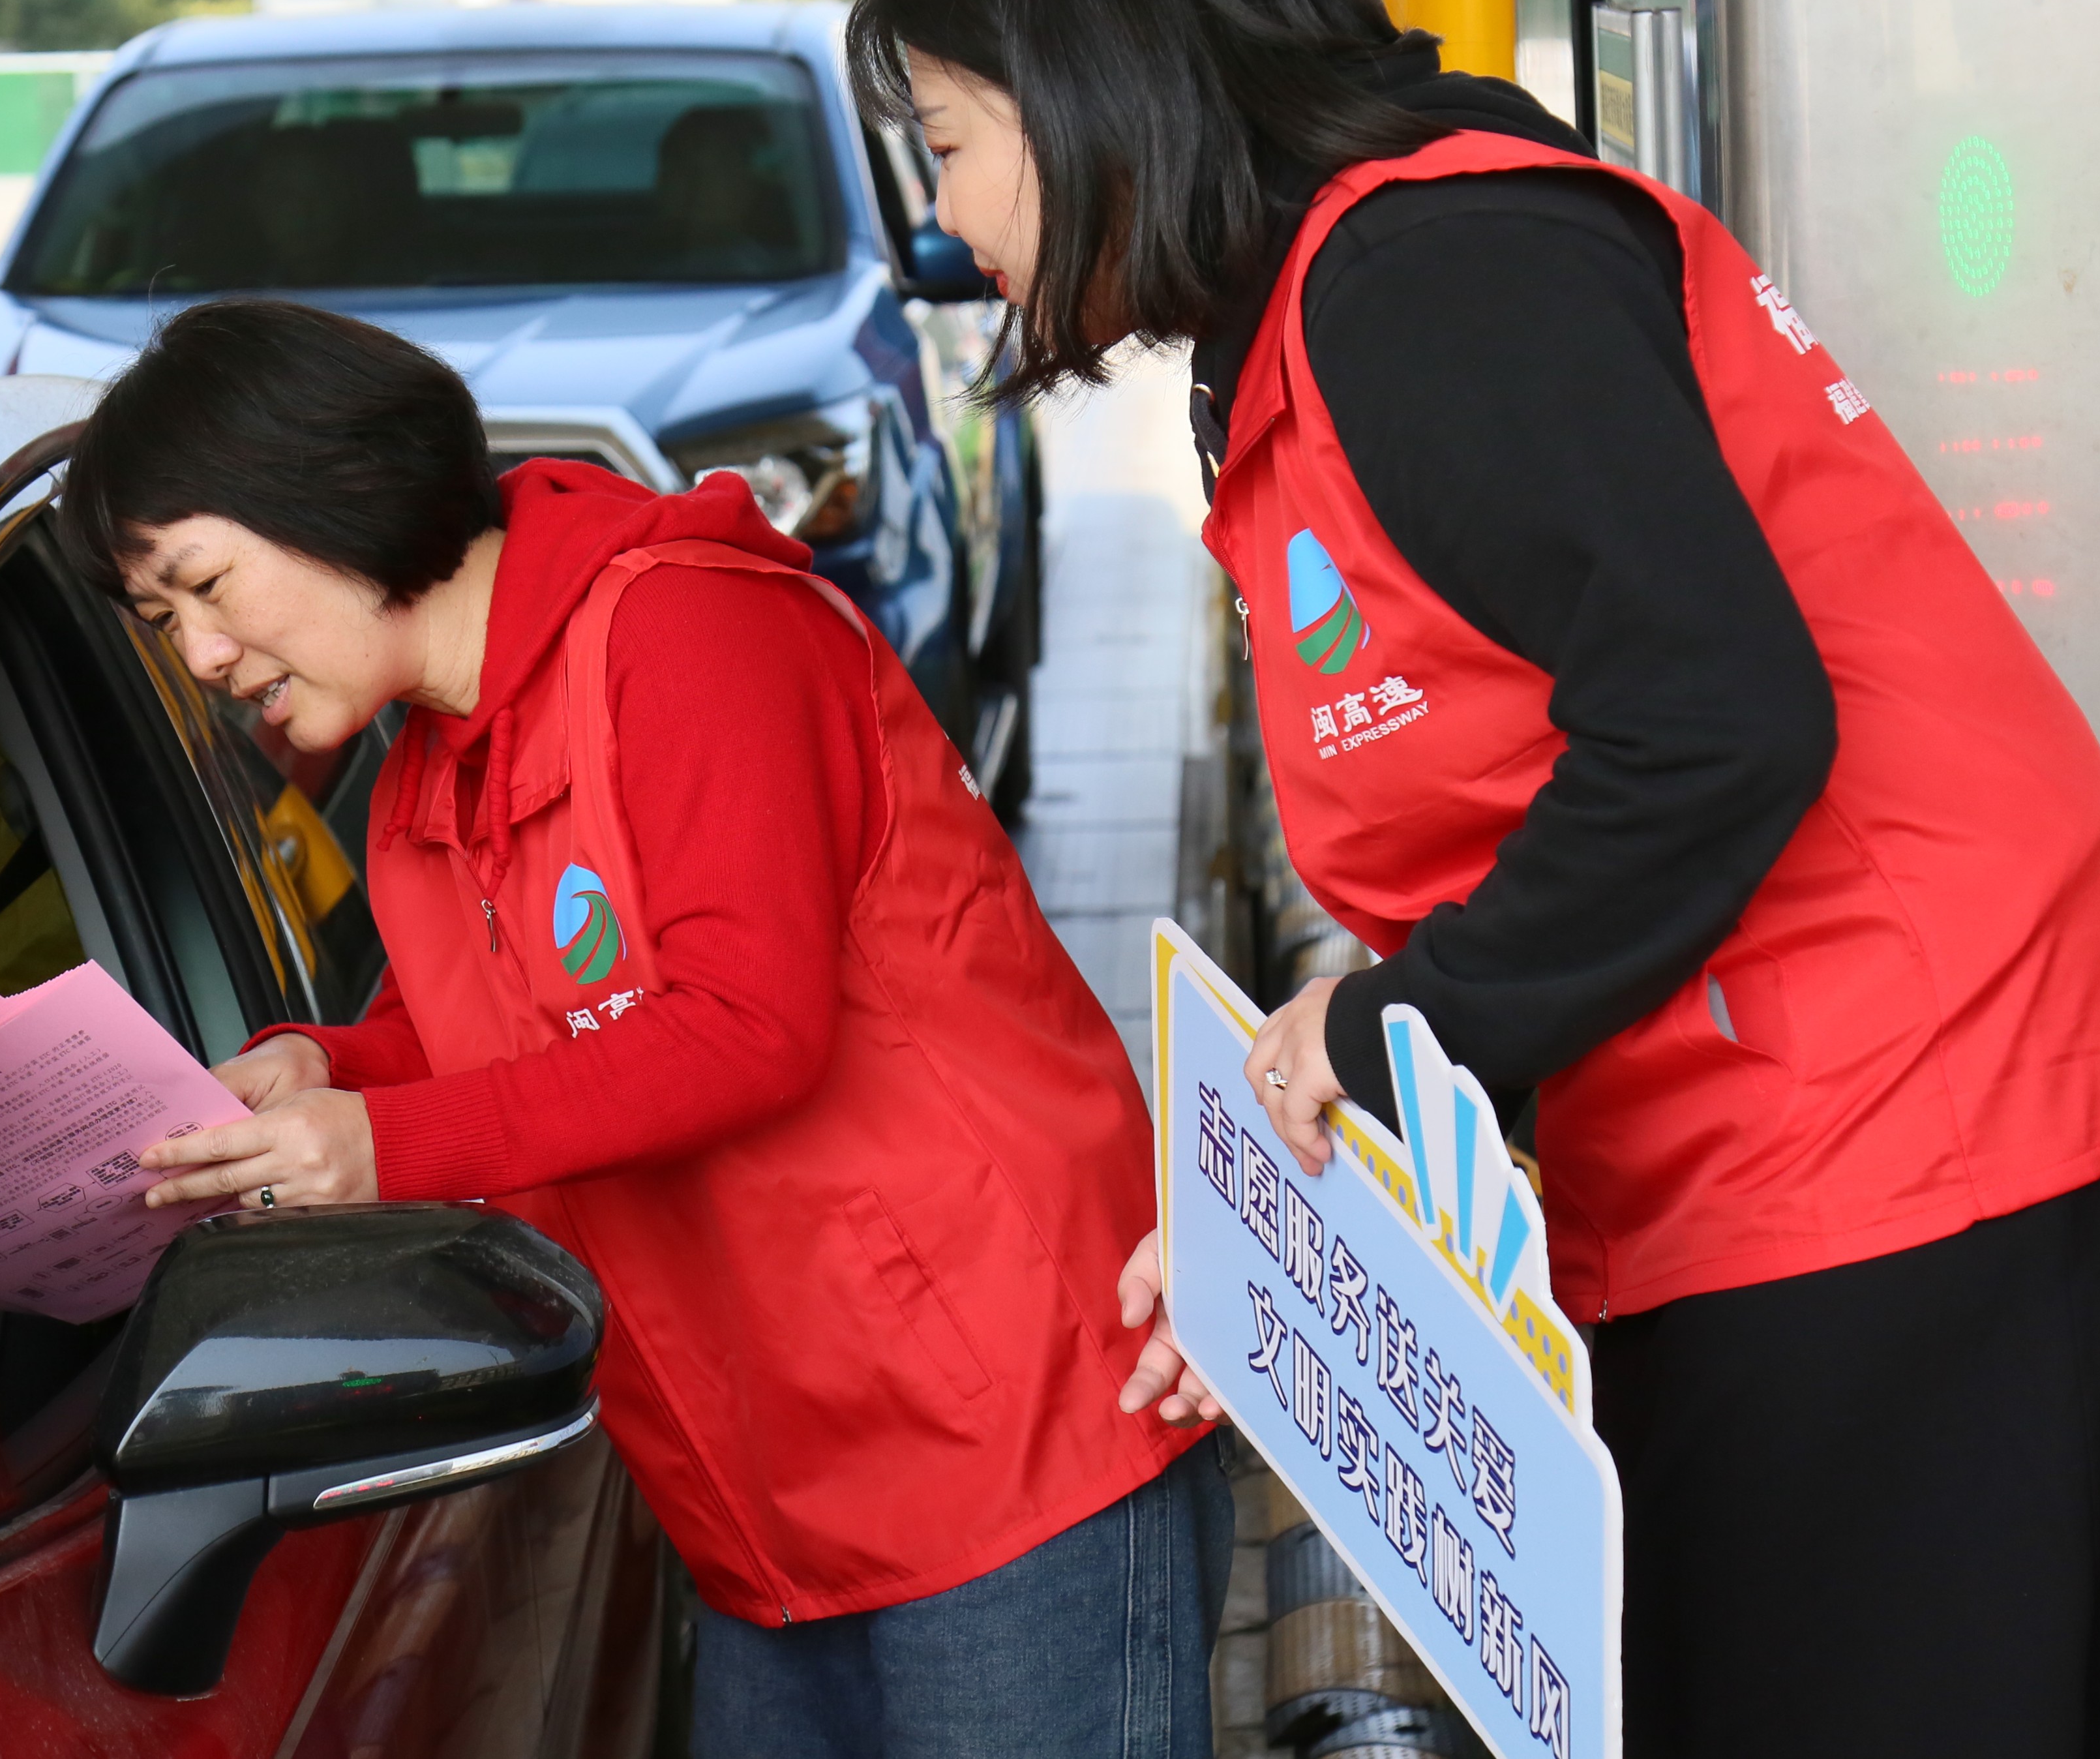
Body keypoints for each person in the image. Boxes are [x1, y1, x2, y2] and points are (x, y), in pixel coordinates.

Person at [847, 0, 2100, 1759]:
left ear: (1096, 80)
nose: (954, 221)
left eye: (956, 144)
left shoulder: (1427, 281)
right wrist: (1296, 1201)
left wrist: (1410, 1026)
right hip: (1864, 1126)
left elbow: (1718, 717)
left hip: (1902, 1145)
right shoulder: (1336, 303)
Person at [60, 297, 1227, 1759]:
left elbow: (746, 1025)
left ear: (327, 487)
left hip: (1010, 1446)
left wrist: (385, 1137)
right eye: (168, 622)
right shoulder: (422, 774)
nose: (206, 656)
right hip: (769, 1502)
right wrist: (328, 1066)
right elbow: (501, 1037)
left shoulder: (684, 629)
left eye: (208, 585)